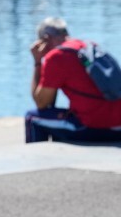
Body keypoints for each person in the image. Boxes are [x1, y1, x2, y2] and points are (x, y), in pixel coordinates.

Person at [25, 16, 121, 144]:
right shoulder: (89, 46)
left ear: (45, 39)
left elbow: (42, 103)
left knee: (32, 117)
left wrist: (37, 62)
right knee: (60, 118)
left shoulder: (56, 56)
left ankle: (38, 157)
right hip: (118, 125)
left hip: (94, 128)